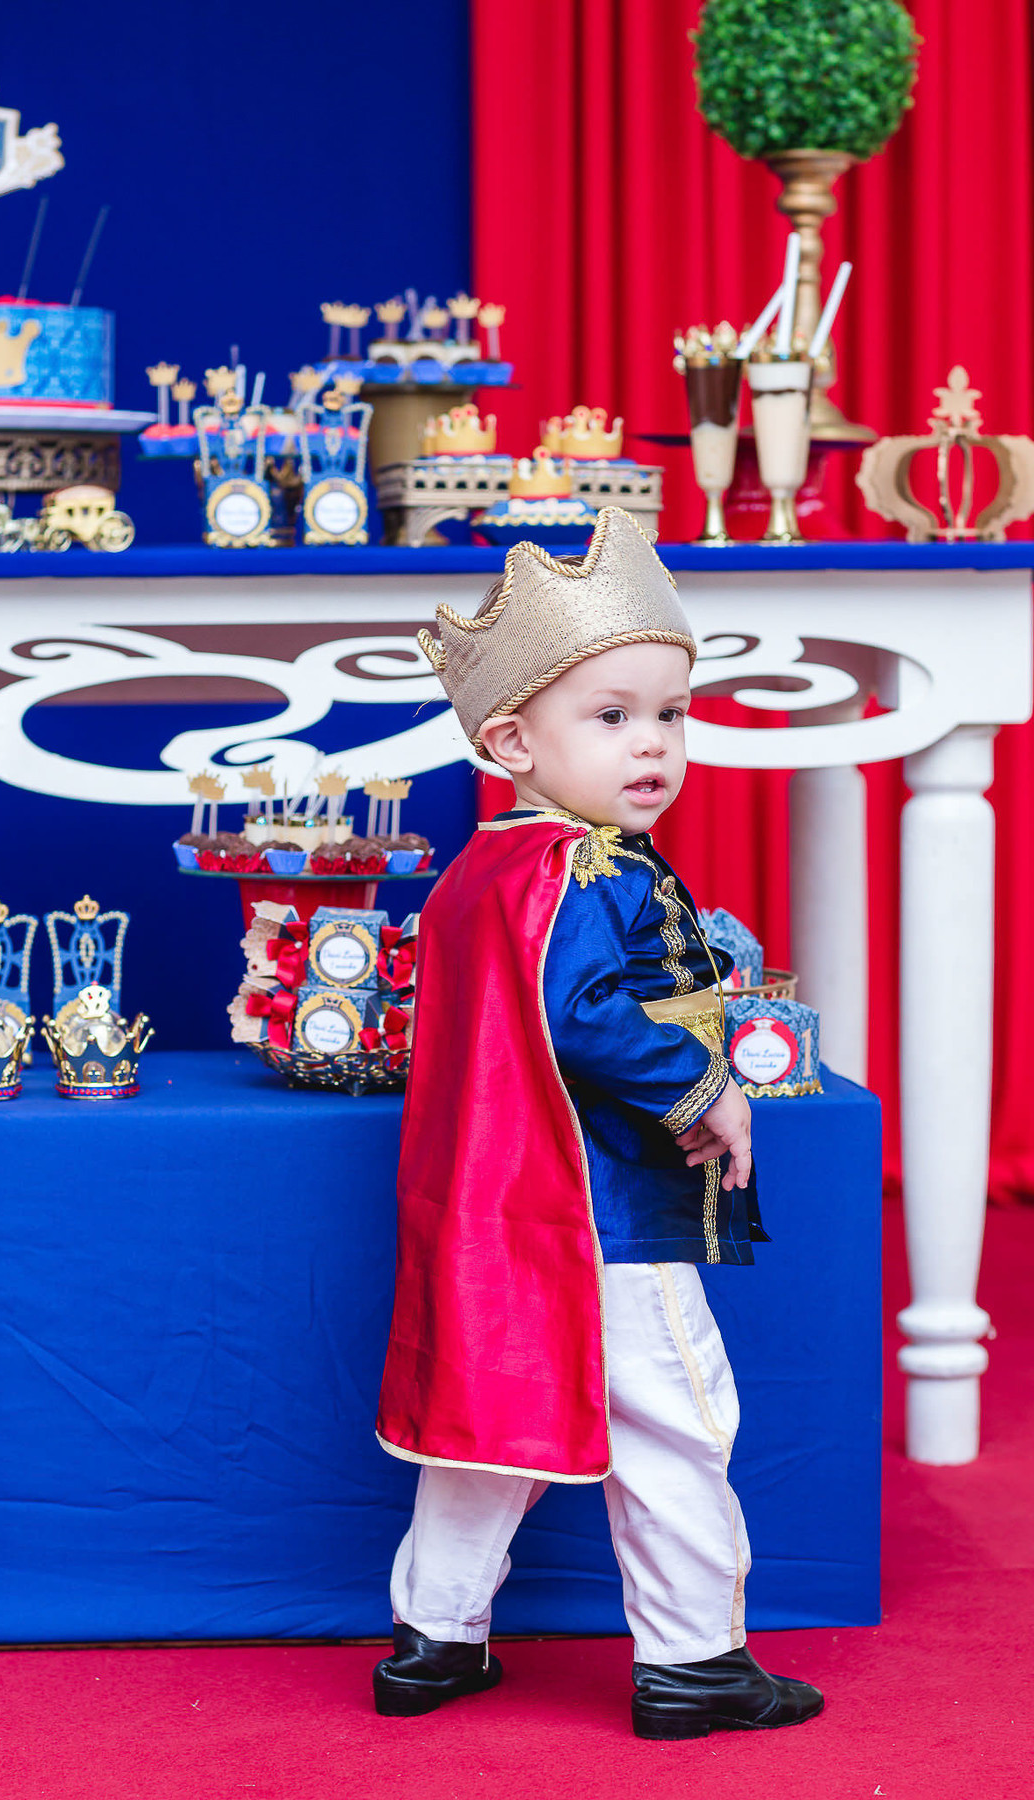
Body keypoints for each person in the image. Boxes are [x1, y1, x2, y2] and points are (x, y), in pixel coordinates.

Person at [373, 508, 823, 1741]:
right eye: (612, 716)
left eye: (669, 715)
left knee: (494, 1425)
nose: (654, 746)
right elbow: (586, 1014)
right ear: (510, 737)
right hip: (602, 1212)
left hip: (496, 1205)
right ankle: (694, 1662)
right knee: (677, 1418)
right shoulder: (592, 869)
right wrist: (709, 1087)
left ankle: (432, 1640)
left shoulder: (479, 868)